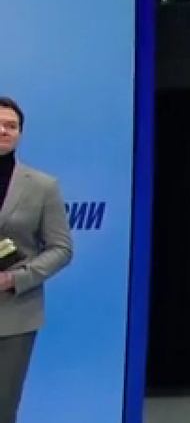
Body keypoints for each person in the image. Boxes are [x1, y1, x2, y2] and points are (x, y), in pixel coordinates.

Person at [0, 96, 73, 423]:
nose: (4, 131)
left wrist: (14, 279)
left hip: (14, 317)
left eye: (11, 126)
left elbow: (61, 249)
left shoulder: (43, 187)